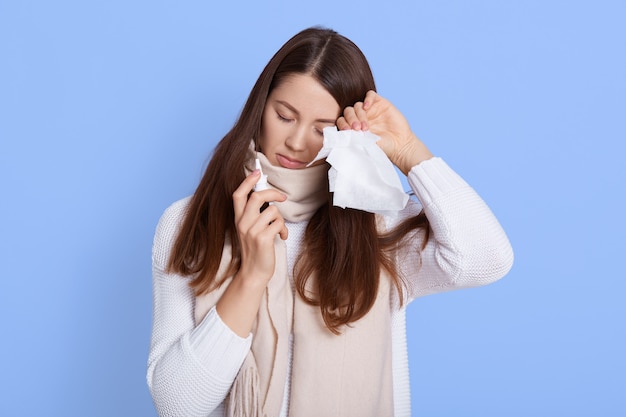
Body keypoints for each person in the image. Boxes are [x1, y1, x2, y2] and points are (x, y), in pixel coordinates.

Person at [147, 27, 513, 417]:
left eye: (322, 129)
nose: (297, 141)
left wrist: (408, 151)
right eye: (284, 116)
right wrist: (251, 277)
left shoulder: (379, 227)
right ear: (261, 107)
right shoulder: (189, 222)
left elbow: (487, 259)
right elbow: (177, 404)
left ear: (344, 132)